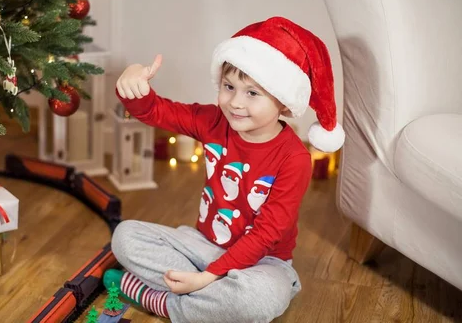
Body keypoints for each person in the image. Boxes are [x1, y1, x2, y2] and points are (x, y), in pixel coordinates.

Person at [103, 16, 345, 322]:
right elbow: (156, 111)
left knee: (256, 302)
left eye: (252, 93)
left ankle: (160, 300)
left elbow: (268, 233)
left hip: (263, 262)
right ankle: (202, 297)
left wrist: (208, 278)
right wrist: (132, 87)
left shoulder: (294, 158)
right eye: (229, 87)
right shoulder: (213, 121)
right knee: (124, 236)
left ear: (283, 103)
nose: (234, 103)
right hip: (203, 246)